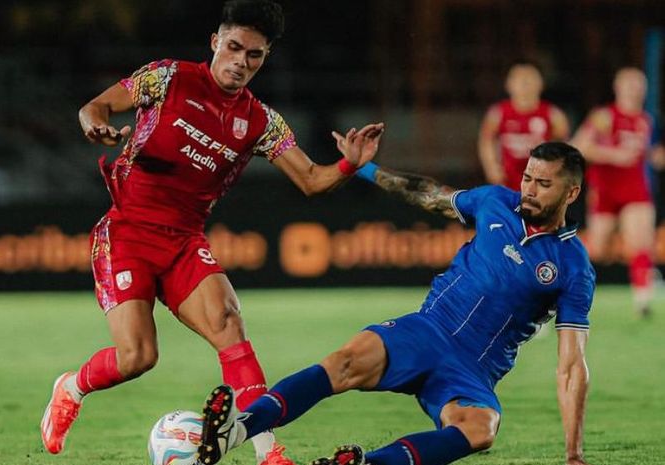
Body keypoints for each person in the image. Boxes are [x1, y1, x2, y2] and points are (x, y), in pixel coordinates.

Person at [39, 0, 384, 460]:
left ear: (264, 60)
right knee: (138, 358)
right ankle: (71, 387)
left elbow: (311, 180)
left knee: (230, 326)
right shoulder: (168, 78)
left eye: (254, 55)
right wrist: (96, 126)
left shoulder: (261, 122)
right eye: (235, 47)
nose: (241, 62)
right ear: (215, 43)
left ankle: (269, 452)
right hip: (127, 232)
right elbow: (95, 106)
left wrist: (349, 164)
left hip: (183, 241)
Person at [198, 141, 595, 465]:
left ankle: (364, 464)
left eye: (543, 184)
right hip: (426, 330)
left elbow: (571, 366)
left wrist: (574, 455)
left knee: (481, 428)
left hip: (474, 368)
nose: (529, 189)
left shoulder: (573, 267)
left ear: (571, 192)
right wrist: (366, 169)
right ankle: (237, 429)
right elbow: (428, 195)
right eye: (527, 178)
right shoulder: (494, 202)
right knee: (345, 361)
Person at [572, 67, 657, 317]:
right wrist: (614, 155)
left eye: (639, 84)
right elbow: (579, 146)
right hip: (605, 190)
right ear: (618, 87)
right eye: (629, 84)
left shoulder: (645, 120)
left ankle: (643, 303)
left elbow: (643, 155)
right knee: (598, 249)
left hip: (636, 191)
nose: (635, 89)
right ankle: (558, 281)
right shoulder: (604, 116)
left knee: (640, 242)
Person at [478, 61, 571, 191]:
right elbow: (486, 141)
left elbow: (564, 145)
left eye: (530, 79)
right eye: (519, 79)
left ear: (541, 84)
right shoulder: (498, 113)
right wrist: (491, 167)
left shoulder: (553, 114)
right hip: (507, 180)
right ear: (508, 84)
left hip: (540, 182)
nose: (525, 84)